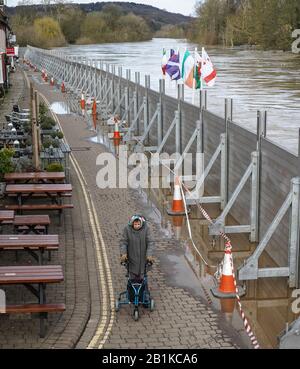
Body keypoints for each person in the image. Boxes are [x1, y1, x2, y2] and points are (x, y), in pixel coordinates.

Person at [119, 214, 155, 281]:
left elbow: (151, 242)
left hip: (143, 259)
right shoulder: (127, 229)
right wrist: (123, 253)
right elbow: (123, 242)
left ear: (141, 223)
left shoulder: (147, 229)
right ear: (132, 223)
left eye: (138, 224)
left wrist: (149, 255)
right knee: (132, 278)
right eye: (135, 224)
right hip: (131, 258)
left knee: (142, 278)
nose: (137, 226)